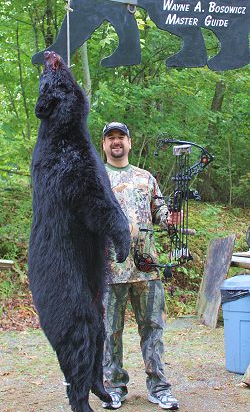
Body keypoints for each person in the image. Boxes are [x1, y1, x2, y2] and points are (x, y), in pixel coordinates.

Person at [101, 121, 180, 410]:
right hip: (109, 270)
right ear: (104, 145)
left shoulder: (146, 178)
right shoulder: (96, 178)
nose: (116, 142)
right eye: (111, 138)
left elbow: (161, 213)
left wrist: (171, 215)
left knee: (153, 329)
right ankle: (113, 388)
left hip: (147, 268)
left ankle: (159, 388)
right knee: (109, 333)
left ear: (129, 143)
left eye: (121, 137)